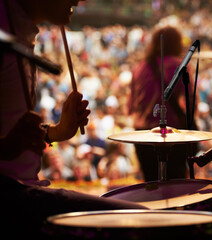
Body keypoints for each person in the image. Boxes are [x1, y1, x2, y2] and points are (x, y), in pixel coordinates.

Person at [0, 0, 146, 238]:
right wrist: (6, 147)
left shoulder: (21, 31)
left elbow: (13, 132)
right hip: (10, 197)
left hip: (23, 189)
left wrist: (57, 132)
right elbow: (9, 144)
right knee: (142, 223)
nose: (79, 0)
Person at [128, 25, 198, 181]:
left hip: (143, 136)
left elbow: (131, 106)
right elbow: (192, 102)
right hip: (170, 135)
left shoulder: (138, 69)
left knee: (151, 183)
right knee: (175, 183)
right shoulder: (179, 65)